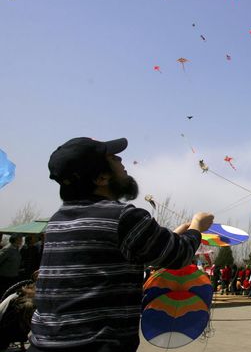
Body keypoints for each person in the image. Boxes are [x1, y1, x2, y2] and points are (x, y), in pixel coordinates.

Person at [28, 137, 214, 352]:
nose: (121, 160)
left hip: (43, 343)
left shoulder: (59, 220)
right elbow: (179, 256)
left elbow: (109, 263)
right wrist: (197, 227)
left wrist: (170, 236)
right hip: (95, 345)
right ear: (101, 177)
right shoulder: (124, 217)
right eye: (114, 157)